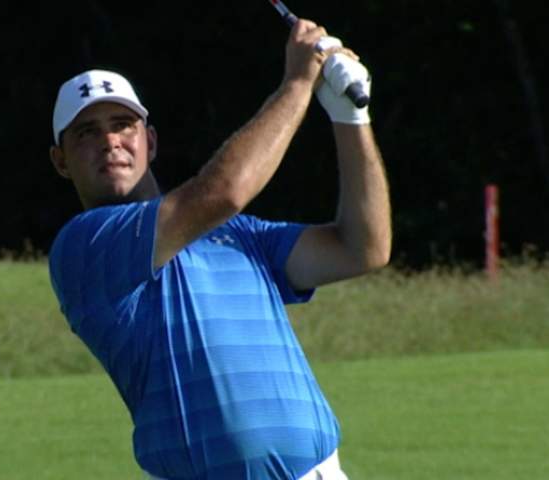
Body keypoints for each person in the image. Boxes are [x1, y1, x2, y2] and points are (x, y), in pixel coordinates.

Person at [47, 18, 391, 480]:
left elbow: (363, 247)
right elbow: (223, 190)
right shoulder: (84, 246)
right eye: (86, 133)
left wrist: (350, 118)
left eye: (123, 124)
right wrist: (296, 84)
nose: (110, 140)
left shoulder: (238, 233)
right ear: (61, 161)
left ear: (149, 140)